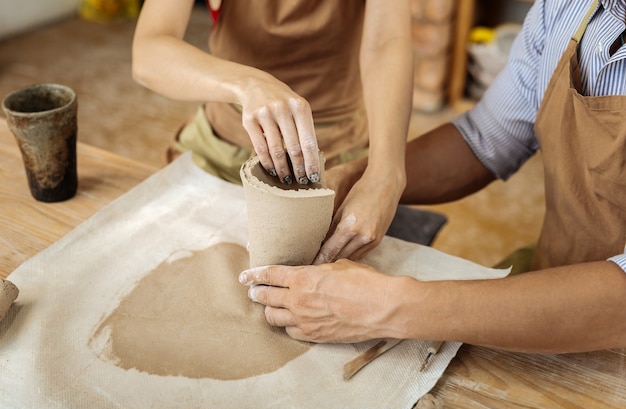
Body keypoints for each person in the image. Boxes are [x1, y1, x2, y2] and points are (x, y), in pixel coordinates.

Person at [238, 0, 626, 353]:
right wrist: (366, 175)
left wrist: (390, 307)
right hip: (553, 271)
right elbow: (487, 137)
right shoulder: (566, 8)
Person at [132, 0, 414, 262]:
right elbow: (149, 51)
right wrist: (248, 84)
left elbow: (386, 41)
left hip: (337, 163)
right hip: (219, 150)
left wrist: (386, 174)